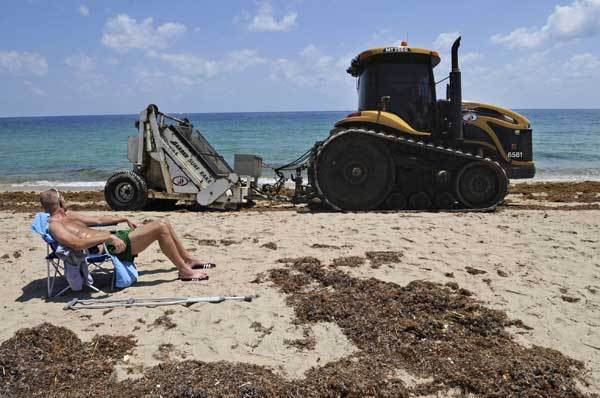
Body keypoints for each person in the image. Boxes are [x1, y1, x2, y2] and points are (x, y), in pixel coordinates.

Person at [39, 188, 212, 281]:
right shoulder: (56, 226)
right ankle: (184, 271)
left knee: (164, 223)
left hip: (114, 238)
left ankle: (188, 259)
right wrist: (108, 237)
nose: (67, 200)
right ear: (60, 202)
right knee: (159, 227)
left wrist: (122, 218)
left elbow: (98, 220)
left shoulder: (70, 216)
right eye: (64, 198)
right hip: (109, 247)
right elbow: (76, 244)